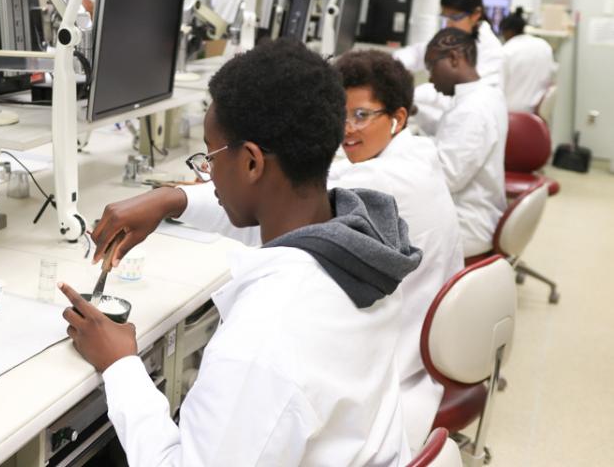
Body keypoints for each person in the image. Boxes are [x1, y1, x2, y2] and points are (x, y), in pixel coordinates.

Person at [61, 39, 421, 465]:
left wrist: (120, 364)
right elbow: (276, 231)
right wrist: (172, 199)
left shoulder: (265, 337)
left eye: (211, 158)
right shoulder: (359, 241)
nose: (208, 174)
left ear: (252, 162)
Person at [332, 50, 464, 449]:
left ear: (398, 118)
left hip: (402, 363)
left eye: (361, 115)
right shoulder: (418, 153)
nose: (346, 129)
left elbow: (288, 200)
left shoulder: (379, 177)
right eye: (340, 114)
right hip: (434, 339)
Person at [425, 28, 508, 258]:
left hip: (467, 225)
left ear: (453, 58)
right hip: (480, 211)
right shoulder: (487, 95)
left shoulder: (471, 110)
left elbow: (448, 178)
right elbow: (453, 139)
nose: (431, 78)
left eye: (432, 67)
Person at [394, 0, 506, 134]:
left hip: (468, 126)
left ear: (476, 14)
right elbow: (418, 53)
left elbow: (457, 94)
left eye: (455, 17)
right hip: (448, 122)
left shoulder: (491, 51)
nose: (449, 24)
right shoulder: (455, 37)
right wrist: (392, 66)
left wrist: (412, 96)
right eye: (445, 17)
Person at [500, 7, 557, 112]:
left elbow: (499, 87)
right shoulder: (543, 45)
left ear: (508, 31)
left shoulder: (506, 51)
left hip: (512, 112)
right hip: (538, 111)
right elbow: (551, 76)